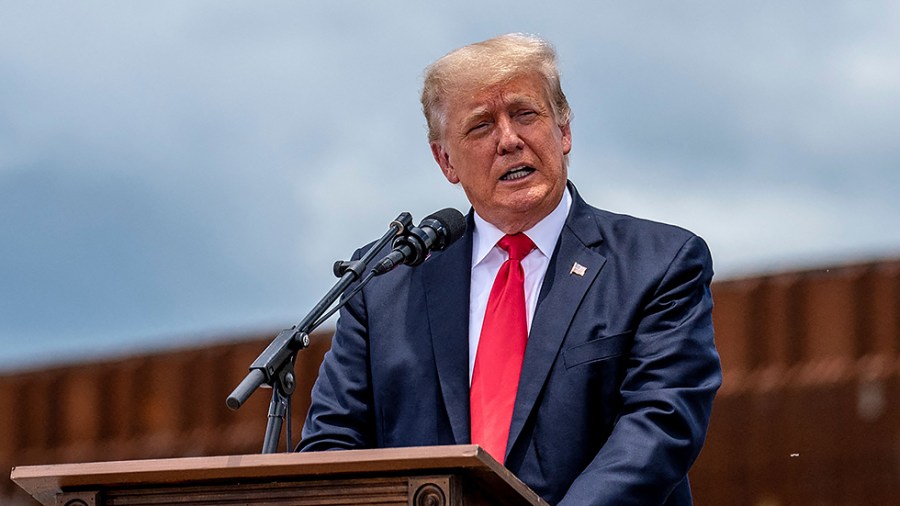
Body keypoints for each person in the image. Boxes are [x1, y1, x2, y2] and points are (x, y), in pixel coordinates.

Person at [298, 33, 721, 506]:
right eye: (480, 127)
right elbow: (332, 446)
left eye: (525, 114)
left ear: (563, 130)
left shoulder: (657, 263)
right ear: (445, 161)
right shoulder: (385, 285)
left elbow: (661, 425)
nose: (509, 140)